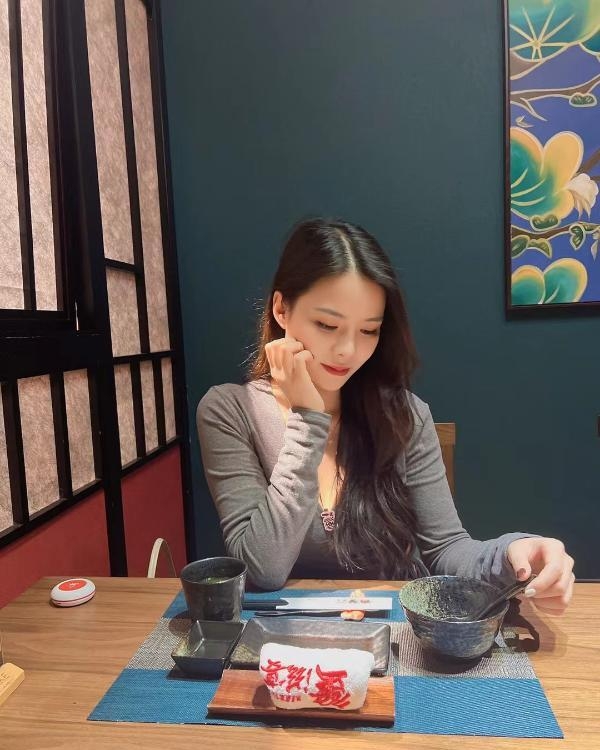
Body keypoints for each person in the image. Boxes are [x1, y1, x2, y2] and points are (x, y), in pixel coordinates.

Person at [197, 218, 574, 612]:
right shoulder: (230, 411)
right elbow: (263, 568)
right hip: (281, 635)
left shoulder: (404, 414)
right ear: (281, 309)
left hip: (396, 630)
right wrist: (308, 417)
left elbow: (446, 547)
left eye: (369, 330)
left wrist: (512, 554)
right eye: (327, 325)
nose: (347, 350)